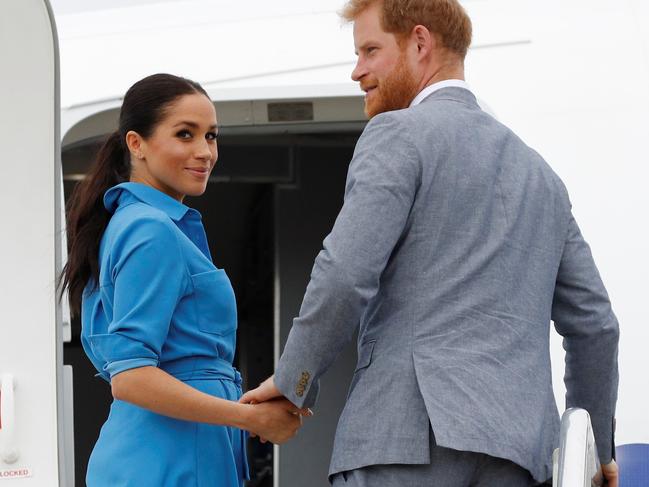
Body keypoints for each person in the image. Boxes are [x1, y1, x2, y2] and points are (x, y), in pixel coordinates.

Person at [241, 1, 620, 485]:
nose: (357, 71)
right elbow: (596, 326)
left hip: (406, 440)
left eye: (370, 50)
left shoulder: (397, 134)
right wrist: (597, 453)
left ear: (420, 43)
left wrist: (294, 380)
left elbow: (345, 273)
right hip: (519, 456)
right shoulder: (542, 176)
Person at [60, 73, 307, 487]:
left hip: (171, 451)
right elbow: (131, 377)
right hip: (170, 457)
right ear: (136, 144)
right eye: (185, 134)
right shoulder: (150, 230)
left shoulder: (141, 224)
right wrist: (249, 417)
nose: (204, 152)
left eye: (210, 136)